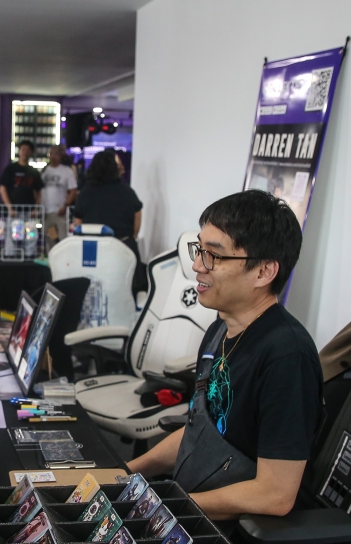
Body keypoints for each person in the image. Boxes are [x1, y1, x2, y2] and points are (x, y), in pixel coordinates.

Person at [126, 189, 322, 521]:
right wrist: (125, 471)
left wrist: (171, 508)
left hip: (231, 540)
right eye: (199, 250)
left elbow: (276, 494)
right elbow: (199, 433)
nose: (197, 265)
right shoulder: (221, 329)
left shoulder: (287, 358)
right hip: (191, 510)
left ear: (263, 272)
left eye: (213, 256)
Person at [72, 149, 145, 290]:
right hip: (123, 248)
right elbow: (137, 213)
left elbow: (78, 221)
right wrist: (133, 236)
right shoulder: (126, 191)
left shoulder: (86, 192)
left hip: (94, 250)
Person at [40, 145, 78, 250]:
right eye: (51, 154)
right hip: (46, 211)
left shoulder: (66, 171)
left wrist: (66, 205)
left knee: (62, 237)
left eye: (56, 154)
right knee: (50, 237)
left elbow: (73, 190)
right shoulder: (44, 171)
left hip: (60, 211)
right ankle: (51, 257)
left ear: (60, 156)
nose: (53, 156)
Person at [0, 139, 43, 207]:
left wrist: (35, 208)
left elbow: (39, 191)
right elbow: (2, 188)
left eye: (28, 150)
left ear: (31, 153)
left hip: (29, 209)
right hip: (13, 209)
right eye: (23, 149)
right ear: (19, 151)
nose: (25, 152)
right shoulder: (10, 169)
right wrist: (10, 207)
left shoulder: (34, 172)